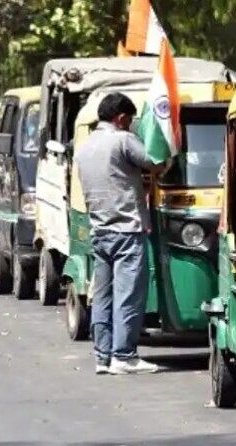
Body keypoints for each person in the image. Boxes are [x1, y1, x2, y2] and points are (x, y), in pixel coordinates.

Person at [75, 92, 165, 375]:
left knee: (102, 295)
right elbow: (153, 161)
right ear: (122, 118)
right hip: (127, 231)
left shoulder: (85, 147)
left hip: (100, 230)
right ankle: (124, 356)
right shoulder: (122, 140)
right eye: (129, 121)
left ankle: (103, 356)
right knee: (128, 294)